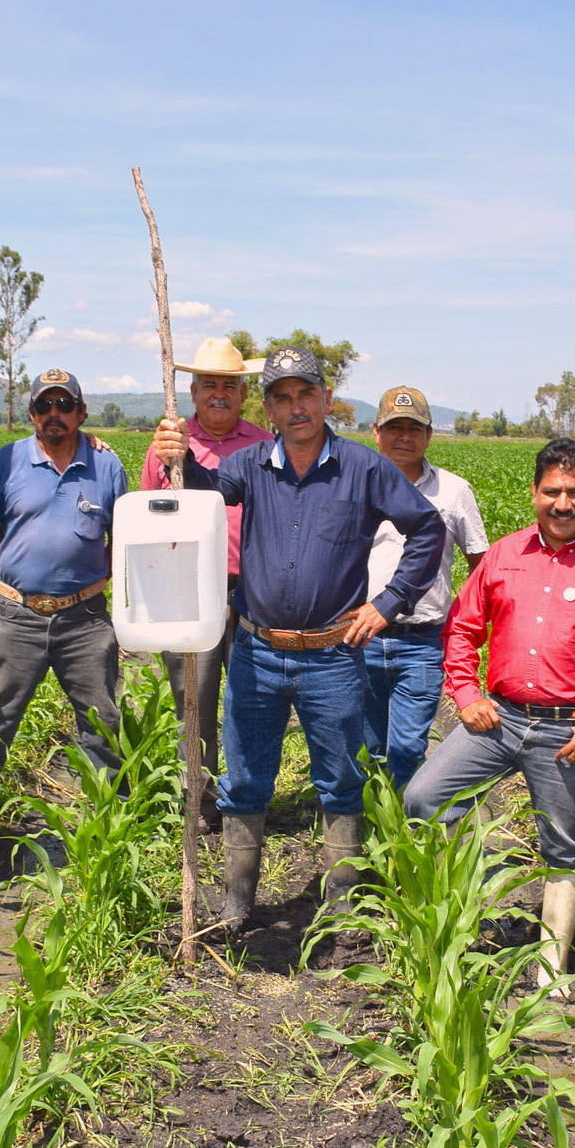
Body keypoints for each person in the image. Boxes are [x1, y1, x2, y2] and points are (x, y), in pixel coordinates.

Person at [150, 345, 443, 942]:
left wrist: (387, 604)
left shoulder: (364, 468)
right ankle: (236, 905)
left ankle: (339, 909)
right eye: (281, 397)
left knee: (338, 780)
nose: (295, 407)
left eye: (305, 394)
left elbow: (427, 529)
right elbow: (204, 490)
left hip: (333, 657)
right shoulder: (253, 463)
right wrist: (176, 456)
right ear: (270, 407)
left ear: (326, 400)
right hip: (257, 651)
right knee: (245, 777)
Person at [404, 439, 575, 988]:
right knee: (425, 798)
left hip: (571, 730)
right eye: (552, 491)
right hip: (498, 718)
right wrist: (467, 695)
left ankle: (552, 970)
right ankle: (459, 923)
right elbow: (463, 629)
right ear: (535, 493)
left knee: (564, 846)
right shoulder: (503, 555)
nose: (562, 503)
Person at [0, 368, 130, 779]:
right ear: (31, 413)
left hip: (86, 621)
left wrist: (97, 579)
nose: (53, 413)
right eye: (44, 405)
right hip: (17, 618)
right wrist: (15, 574)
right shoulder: (6, 461)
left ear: (81, 412)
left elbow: (124, 536)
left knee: (102, 722)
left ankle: (112, 818)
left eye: (64, 404)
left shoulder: (106, 466)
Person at [139, 337, 274, 815]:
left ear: (242, 394)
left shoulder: (264, 444)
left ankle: (244, 795)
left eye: (229, 386)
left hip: (251, 594)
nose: (219, 393)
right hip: (189, 587)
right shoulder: (169, 446)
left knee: (250, 700)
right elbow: (148, 517)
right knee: (193, 701)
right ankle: (199, 800)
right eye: (209, 384)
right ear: (193, 392)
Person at [361, 385, 488, 787]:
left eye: (414, 428)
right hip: (359, 636)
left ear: (429, 435)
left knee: (407, 748)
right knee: (367, 744)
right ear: (376, 433)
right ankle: (367, 825)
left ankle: (401, 830)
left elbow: (481, 567)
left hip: (423, 641)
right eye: (394, 427)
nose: (405, 437)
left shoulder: (453, 491)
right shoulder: (354, 487)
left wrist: (464, 632)